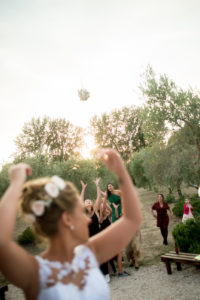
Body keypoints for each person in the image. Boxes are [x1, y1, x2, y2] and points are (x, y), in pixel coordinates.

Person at [0, 149, 142, 300]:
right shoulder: (35, 273)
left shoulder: (90, 253)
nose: (88, 219)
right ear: (67, 219)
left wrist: (121, 170)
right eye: (81, 212)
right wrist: (16, 183)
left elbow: (132, 219)